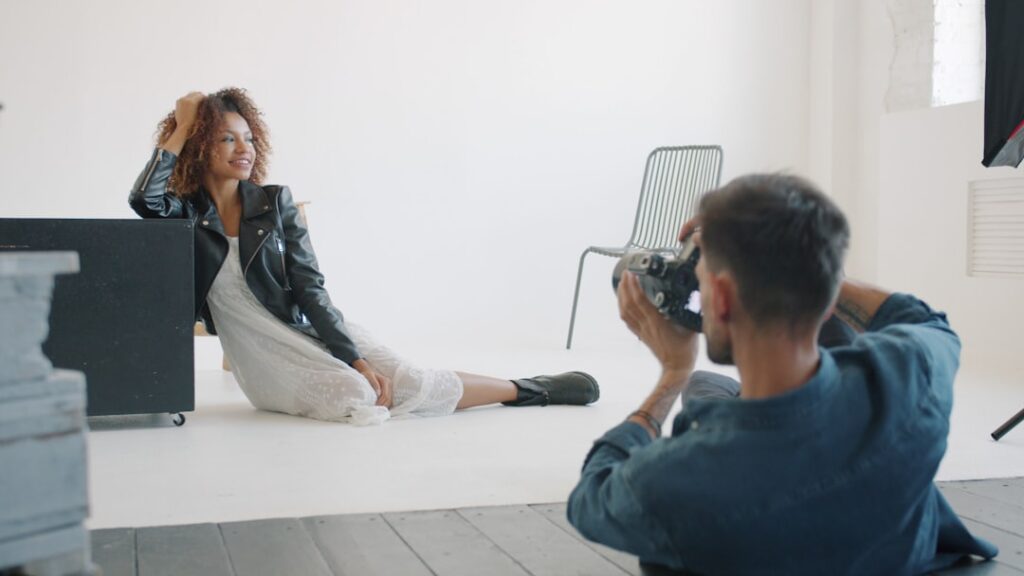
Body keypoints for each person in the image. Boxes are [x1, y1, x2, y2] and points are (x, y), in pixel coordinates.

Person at [567, 174, 997, 575]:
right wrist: (809, 266)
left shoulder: (673, 480)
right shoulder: (910, 378)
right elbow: (923, 321)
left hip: (744, 466)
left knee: (698, 388)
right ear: (827, 293)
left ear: (719, 299)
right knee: (710, 390)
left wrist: (673, 373)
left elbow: (590, 498)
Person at [130, 88, 598, 424]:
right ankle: (509, 389)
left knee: (405, 379)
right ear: (198, 146)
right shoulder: (188, 214)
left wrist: (352, 356)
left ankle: (530, 390)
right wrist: (184, 125)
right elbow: (143, 199)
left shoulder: (274, 203)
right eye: (227, 139)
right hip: (263, 356)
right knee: (358, 396)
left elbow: (310, 288)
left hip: (311, 327)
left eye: (249, 138)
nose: (245, 149)